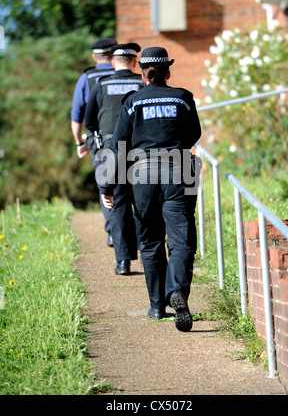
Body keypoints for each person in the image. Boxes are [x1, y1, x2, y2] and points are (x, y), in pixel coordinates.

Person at [100, 46, 202, 332]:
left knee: (150, 241)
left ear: (142, 72)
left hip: (141, 174)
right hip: (180, 171)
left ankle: (157, 306)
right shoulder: (183, 98)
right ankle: (178, 291)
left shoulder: (132, 102)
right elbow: (194, 133)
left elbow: (117, 145)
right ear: (168, 71)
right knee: (181, 241)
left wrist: (107, 184)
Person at [85, 43, 144, 275]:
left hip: (109, 150)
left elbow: (90, 121)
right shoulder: (142, 83)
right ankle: (146, 251)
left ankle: (122, 262)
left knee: (117, 205)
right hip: (140, 149)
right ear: (134, 62)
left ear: (113, 63)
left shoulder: (101, 85)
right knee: (142, 201)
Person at [71, 38, 117, 247]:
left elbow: (76, 115)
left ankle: (112, 231)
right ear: (114, 54)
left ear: (94, 57)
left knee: (104, 183)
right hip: (129, 139)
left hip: (98, 141)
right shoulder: (122, 74)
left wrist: (79, 143)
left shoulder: (87, 78)